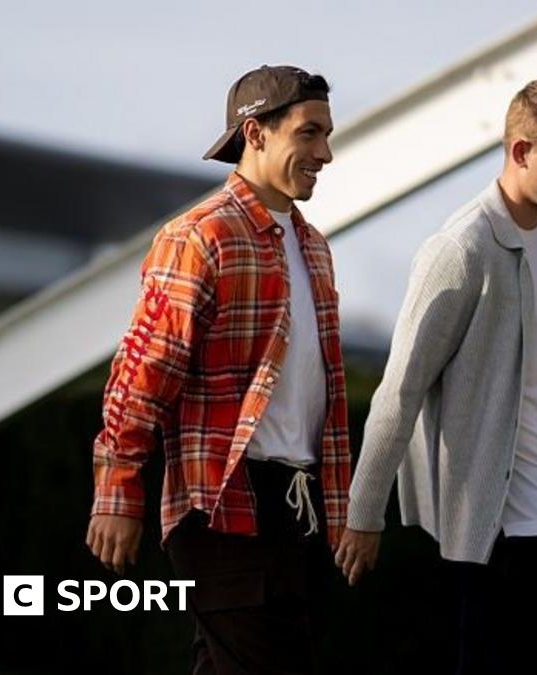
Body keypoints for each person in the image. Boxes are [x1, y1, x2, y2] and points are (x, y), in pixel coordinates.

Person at [85, 64, 351, 675]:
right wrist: (117, 491)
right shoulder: (201, 236)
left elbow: (323, 393)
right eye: (309, 133)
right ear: (255, 134)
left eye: (327, 135)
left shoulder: (313, 247)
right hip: (223, 505)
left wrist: (341, 511)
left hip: (298, 507)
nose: (325, 153)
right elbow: (142, 373)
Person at [337, 79, 537, 674]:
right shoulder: (462, 249)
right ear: (521, 151)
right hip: (498, 535)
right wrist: (363, 513)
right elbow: (400, 389)